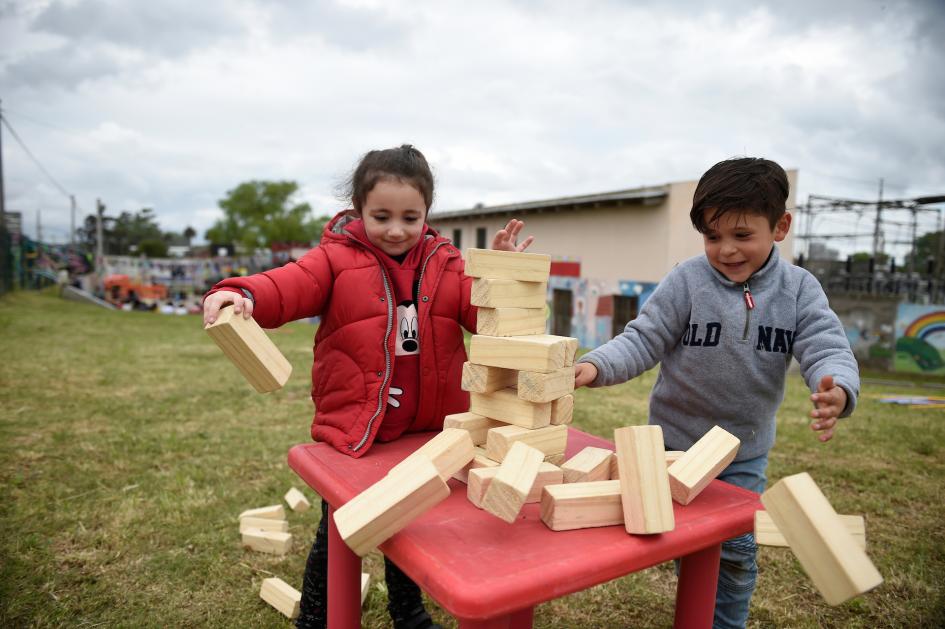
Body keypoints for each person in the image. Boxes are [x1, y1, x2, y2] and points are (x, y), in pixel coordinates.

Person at [202, 144, 532, 629]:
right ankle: (316, 617)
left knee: (410, 520)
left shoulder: (446, 261)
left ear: (427, 215)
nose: (396, 229)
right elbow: (287, 285)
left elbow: (481, 316)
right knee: (337, 528)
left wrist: (500, 278)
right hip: (358, 430)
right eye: (381, 216)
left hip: (429, 429)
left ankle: (409, 612)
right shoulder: (332, 259)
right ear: (358, 211)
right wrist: (243, 292)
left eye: (409, 217)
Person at [573, 157, 859, 629]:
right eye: (712, 237)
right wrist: (596, 364)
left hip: (741, 456)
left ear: (780, 226)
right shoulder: (686, 280)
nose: (725, 250)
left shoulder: (799, 290)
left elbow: (826, 346)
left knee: (732, 555)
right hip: (671, 446)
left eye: (742, 235)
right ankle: (693, 595)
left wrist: (839, 389)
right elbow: (644, 338)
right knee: (684, 545)